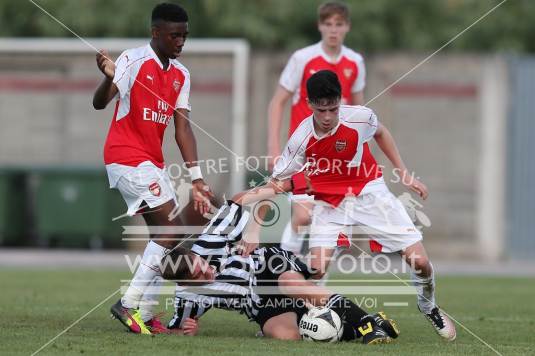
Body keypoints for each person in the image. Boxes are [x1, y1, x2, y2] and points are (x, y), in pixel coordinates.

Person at [242, 70, 457, 341]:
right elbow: (273, 185)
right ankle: (299, 319)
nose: (329, 116)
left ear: (340, 101)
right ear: (310, 105)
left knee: (421, 262)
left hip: (370, 192)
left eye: (333, 108)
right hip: (329, 203)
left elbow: (381, 132)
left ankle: (428, 306)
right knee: (315, 269)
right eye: (322, 110)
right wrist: (253, 228)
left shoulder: (361, 117)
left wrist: (402, 171)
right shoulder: (300, 139)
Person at [92, 2, 212, 334]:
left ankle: (144, 313)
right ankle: (127, 304)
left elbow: (183, 129)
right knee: (171, 230)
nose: (181, 42)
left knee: (166, 238)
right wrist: (108, 80)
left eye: (185, 36)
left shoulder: (181, 74)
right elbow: (101, 102)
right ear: (155, 32)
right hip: (125, 156)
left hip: (152, 163)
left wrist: (197, 178)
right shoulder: (133, 59)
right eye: (175, 35)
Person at [162, 202, 399, 344]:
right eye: (197, 278)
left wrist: (254, 231)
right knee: (288, 337)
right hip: (261, 305)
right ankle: (362, 320)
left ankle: (368, 324)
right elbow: (176, 329)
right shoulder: (188, 296)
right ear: (184, 283)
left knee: (298, 283)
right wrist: (188, 331)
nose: (205, 274)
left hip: (269, 267)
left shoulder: (209, 240)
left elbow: (261, 196)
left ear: (195, 254)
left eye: (200, 267)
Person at [266, 2, 370, 257]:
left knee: (331, 223)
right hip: (305, 153)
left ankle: (314, 284)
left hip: (336, 156)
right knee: (303, 215)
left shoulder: (355, 62)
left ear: (347, 27)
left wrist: (360, 158)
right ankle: (284, 269)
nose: (333, 30)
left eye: (339, 24)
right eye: (328, 24)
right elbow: (278, 101)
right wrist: (273, 147)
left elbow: (359, 113)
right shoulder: (302, 58)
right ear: (320, 26)